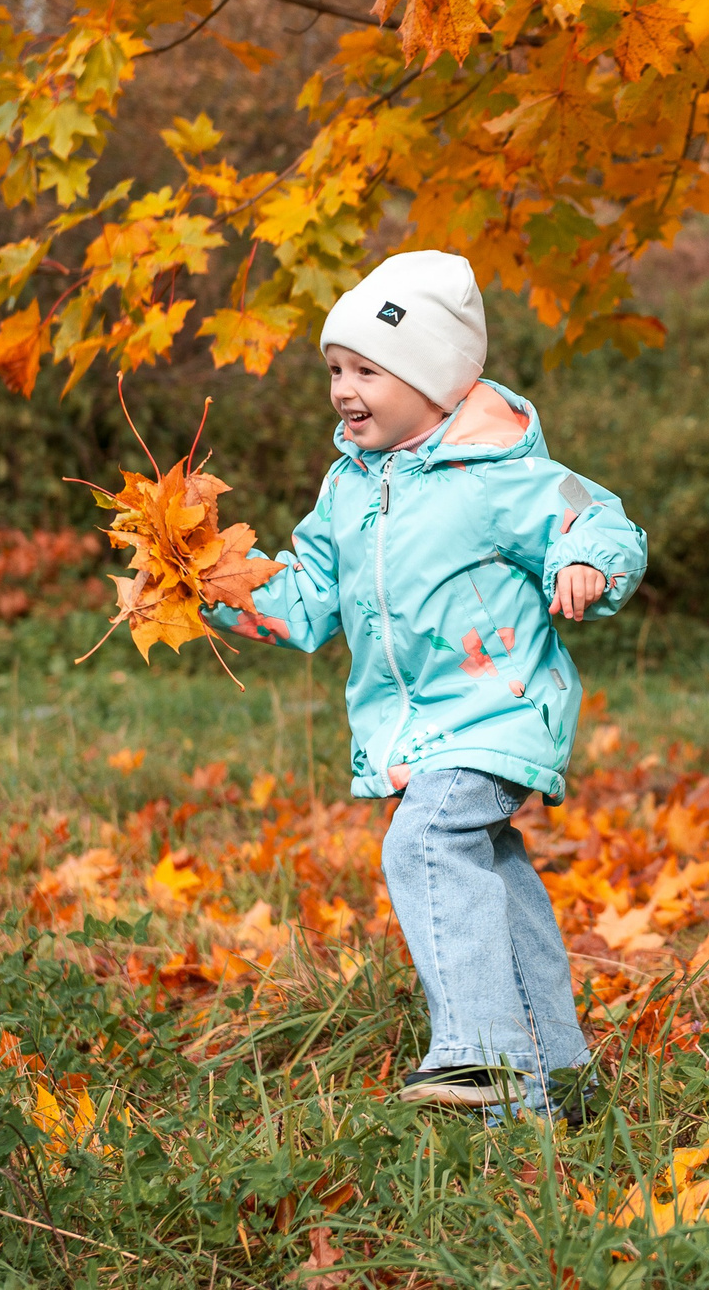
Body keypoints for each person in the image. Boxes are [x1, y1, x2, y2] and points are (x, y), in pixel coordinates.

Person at [206, 250, 646, 1122]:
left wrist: (588, 563)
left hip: (498, 709)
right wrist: (210, 586)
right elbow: (301, 604)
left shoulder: (497, 473)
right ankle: (555, 1080)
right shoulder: (345, 490)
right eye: (336, 369)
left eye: (369, 368)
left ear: (435, 379)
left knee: (426, 844)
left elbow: (597, 517)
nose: (344, 388)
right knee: (493, 875)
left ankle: (482, 1055)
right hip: (422, 730)